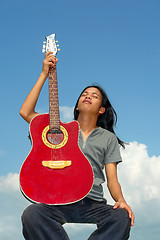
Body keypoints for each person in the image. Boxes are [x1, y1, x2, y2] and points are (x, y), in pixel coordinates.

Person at [20, 52, 135, 240]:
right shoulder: (58, 131)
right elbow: (25, 112)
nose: (87, 96)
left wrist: (121, 201)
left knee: (121, 217)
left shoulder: (108, 138)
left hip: (93, 203)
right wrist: (43, 74)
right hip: (58, 201)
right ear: (76, 106)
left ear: (101, 109)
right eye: (84, 94)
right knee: (32, 214)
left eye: (94, 95)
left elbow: (112, 179)